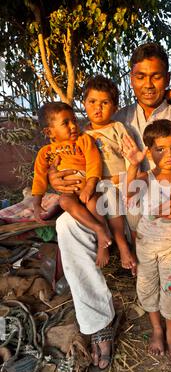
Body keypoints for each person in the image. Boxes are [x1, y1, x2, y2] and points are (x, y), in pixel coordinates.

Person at [49, 42, 171, 370]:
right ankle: (98, 321)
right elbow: (73, 156)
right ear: (131, 80)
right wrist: (56, 177)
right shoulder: (111, 119)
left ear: (167, 79)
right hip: (122, 207)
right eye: (140, 76)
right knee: (66, 225)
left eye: (156, 76)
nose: (148, 84)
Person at [123, 119, 171, 361]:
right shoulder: (146, 177)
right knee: (147, 287)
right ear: (150, 152)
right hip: (146, 243)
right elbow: (128, 195)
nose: (169, 154)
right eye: (160, 149)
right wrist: (133, 166)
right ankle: (157, 329)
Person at [32, 102, 112, 268]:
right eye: (65, 123)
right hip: (69, 192)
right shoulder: (46, 153)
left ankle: (103, 246)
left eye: (74, 120)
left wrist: (90, 186)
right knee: (64, 202)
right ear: (49, 131)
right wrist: (36, 204)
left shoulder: (84, 140)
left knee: (93, 203)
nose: (73, 126)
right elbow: (39, 178)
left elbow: (93, 162)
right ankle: (98, 229)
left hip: (87, 185)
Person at [82, 75, 136, 273]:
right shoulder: (82, 135)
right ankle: (103, 241)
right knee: (92, 202)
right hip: (94, 184)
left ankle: (121, 243)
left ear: (114, 107)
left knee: (110, 196)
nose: (98, 108)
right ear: (84, 104)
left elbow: (130, 157)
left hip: (118, 182)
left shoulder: (117, 128)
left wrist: (126, 181)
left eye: (105, 103)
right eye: (92, 102)